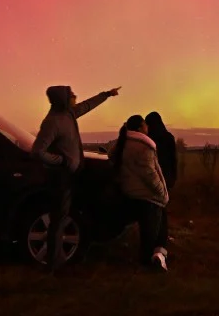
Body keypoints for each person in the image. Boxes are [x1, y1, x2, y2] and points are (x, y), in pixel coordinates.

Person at [31, 84, 120, 271]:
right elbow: (38, 151)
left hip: (73, 175)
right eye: (71, 95)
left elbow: (87, 105)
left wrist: (106, 94)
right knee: (58, 219)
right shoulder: (53, 121)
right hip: (61, 178)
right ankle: (53, 264)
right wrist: (61, 161)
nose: (75, 96)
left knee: (72, 214)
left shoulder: (69, 114)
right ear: (63, 99)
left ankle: (71, 255)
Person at [112, 114, 170, 271]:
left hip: (129, 192)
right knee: (151, 230)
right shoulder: (144, 146)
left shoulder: (122, 142)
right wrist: (162, 193)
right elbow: (150, 174)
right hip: (146, 196)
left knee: (150, 227)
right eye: (145, 125)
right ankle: (152, 259)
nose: (148, 127)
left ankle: (155, 255)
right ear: (139, 128)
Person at [144, 112, 177, 192]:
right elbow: (173, 159)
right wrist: (173, 177)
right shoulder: (168, 137)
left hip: (150, 178)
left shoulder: (146, 139)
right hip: (166, 177)